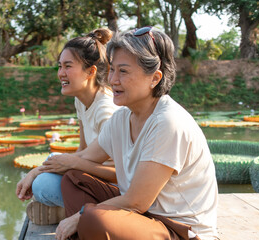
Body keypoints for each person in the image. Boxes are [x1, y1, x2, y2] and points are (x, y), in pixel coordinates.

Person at [42, 27, 218, 240]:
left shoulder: (168, 122)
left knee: (94, 218)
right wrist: (40, 170)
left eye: (123, 71)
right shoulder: (121, 118)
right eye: (112, 70)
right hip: (143, 217)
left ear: (154, 78)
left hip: (178, 229)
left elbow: (136, 201)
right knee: (73, 180)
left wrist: (81, 215)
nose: (113, 80)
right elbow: (83, 157)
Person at [16, 28, 119, 225]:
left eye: (68, 66)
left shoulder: (106, 110)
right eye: (60, 66)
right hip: (87, 176)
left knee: (43, 185)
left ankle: (73, 213)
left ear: (91, 71)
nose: (61, 73)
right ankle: (71, 211)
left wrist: (38, 171)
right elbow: (83, 150)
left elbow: (123, 174)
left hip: (111, 188)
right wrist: (51, 166)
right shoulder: (81, 100)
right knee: (53, 159)